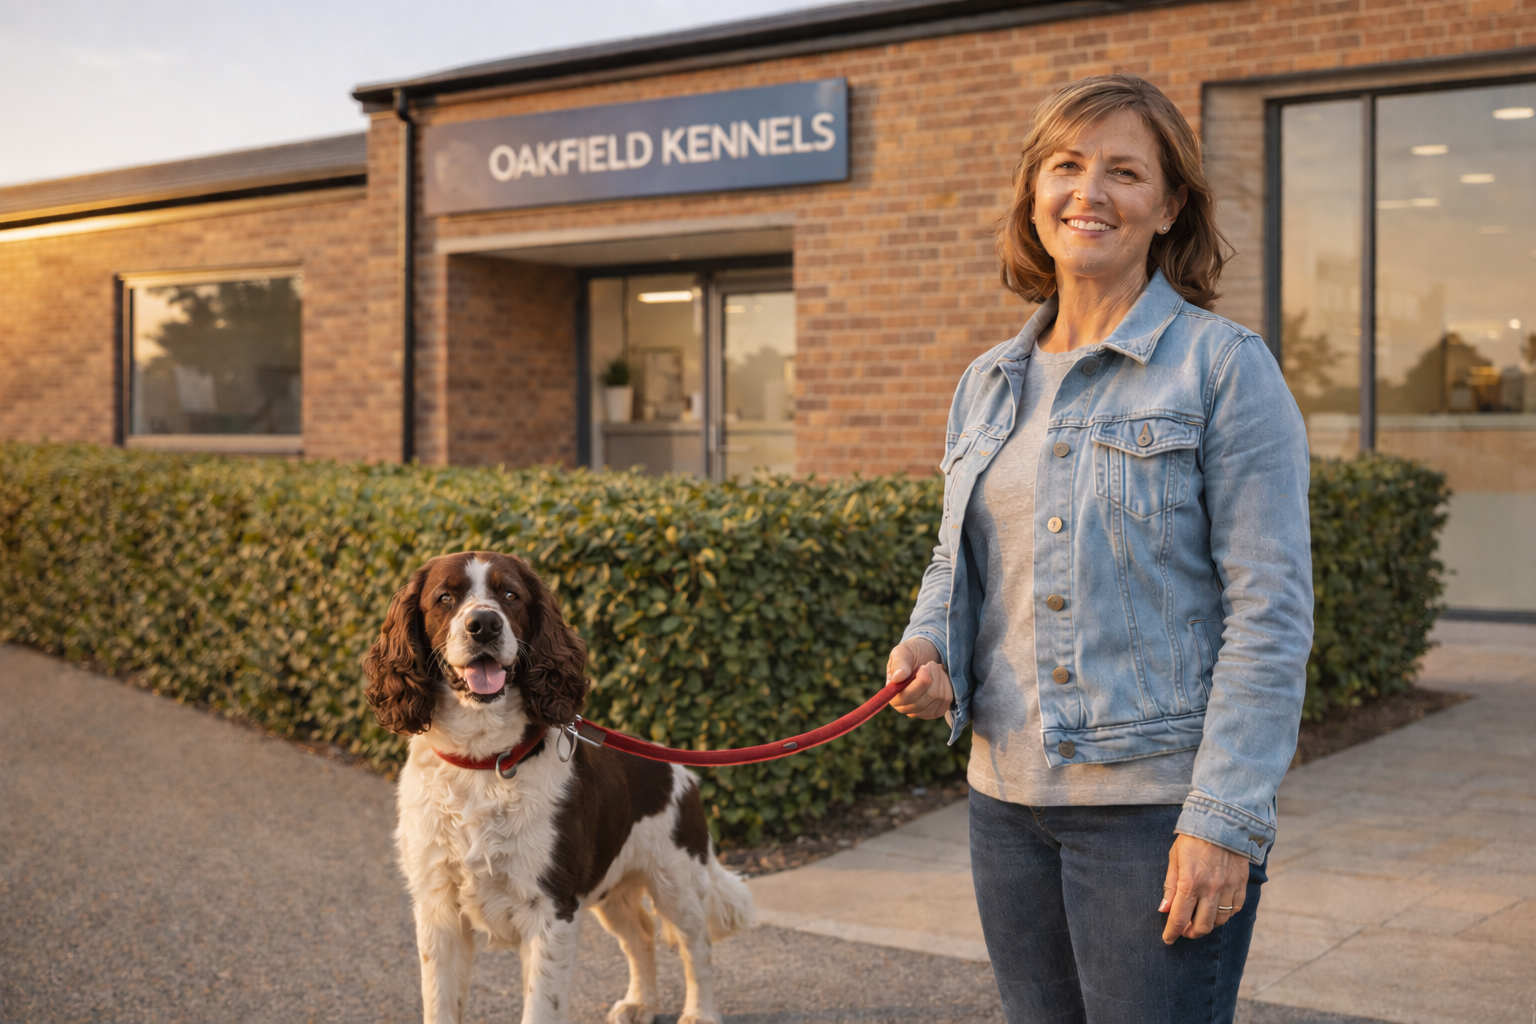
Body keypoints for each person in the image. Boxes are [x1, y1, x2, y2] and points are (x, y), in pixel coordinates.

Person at [887, 72, 1312, 1024]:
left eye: (1125, 171)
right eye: (1067, 166)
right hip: (1006, 803)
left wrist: (1223, 822)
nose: (1091, 192)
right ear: (1034, 193)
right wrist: (931, 645)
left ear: (1167, 207)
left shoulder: (1223, 368)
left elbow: (1271, 615)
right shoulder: (988, 382)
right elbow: (960, 563)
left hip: (1152, 814)